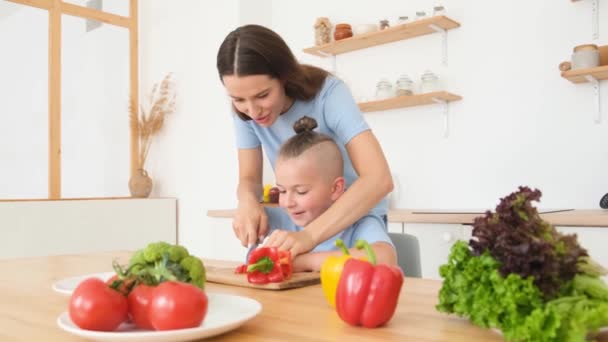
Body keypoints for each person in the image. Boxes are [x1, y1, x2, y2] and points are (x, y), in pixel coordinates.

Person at [216, 24, 393, 257]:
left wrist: (308, 238)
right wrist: (247, 202)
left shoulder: (328, 94)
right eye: (238, 99)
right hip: (302, 228)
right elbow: (249, 178)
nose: (252, 111)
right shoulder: (246, 114)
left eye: (263, 95)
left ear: (284, 76)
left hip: (352, 219)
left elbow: (379, 179)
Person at [267, 116, 396, 271]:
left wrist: (305, 262)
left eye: (301, 191)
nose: (288, 202)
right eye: (282, 190)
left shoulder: (359, 223)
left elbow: (385, 258)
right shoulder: (286, 225)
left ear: (336, 189)